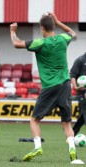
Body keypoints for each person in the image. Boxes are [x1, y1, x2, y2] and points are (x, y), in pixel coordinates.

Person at [9, 12, 79, 162]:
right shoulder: (62, 39)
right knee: (66, 123)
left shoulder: (40, 43)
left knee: (34, 119)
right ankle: (72, 148)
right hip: (65, 85)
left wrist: (12, 32)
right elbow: (72, 33)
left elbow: (16, 44)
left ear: (42, 28)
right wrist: (58, 20)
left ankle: (37, 147)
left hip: (50, 87)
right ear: (53, 25)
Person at [70, 53, 86, 136]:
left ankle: (71, 135)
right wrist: (75, 87)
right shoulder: (80, 60)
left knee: (82, 117)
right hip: (82, 94)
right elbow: (72, 75)